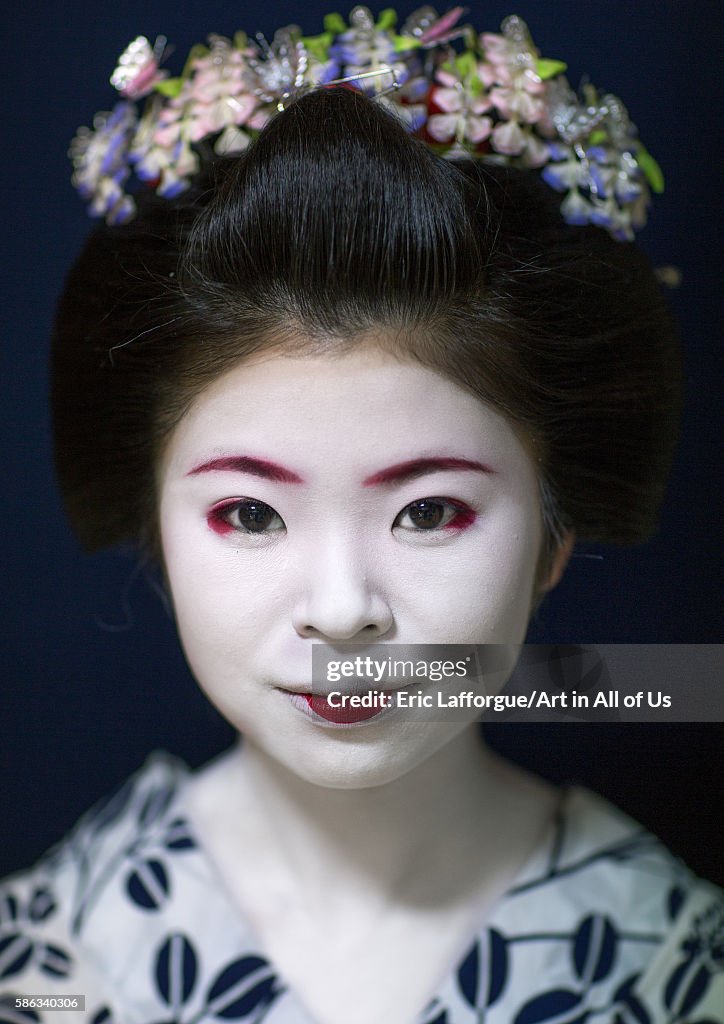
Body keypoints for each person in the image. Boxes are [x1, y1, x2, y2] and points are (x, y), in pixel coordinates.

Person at [1, 11, 722, 1023]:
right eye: (249, 512)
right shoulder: (51, 954)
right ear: (152, 528)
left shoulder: (680, 964)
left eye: (429, 510)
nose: (343, 613)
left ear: (558, 531)